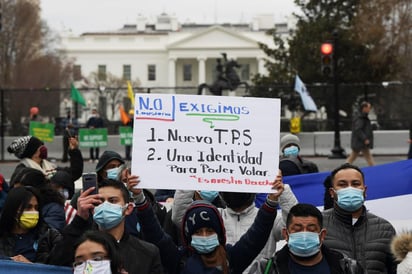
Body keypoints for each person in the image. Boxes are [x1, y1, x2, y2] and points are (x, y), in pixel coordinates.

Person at [131, 173, 285, 274]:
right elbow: (154, 233)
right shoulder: (179, 259)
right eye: (198, 232)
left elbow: (257, 235)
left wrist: (271, 201)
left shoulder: (231, 258)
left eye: (209, 230)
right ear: (188, 236)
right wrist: (139, 198)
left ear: (219, 234)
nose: (204, 236)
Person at [172, 180, 297, 272]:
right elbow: (180, 215)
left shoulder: (270, 219)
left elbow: (295, 225)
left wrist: (282, 190)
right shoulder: (214, 218)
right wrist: (190, 177)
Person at [48, 179, 163, 273]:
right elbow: (52, 266)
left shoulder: (147, 253)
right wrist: (80, 219)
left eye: (113, 201)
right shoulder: (78, 246)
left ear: (128, 209)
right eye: (100, 201)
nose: (105, 205)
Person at [323, 163, 397, 273]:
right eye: (342, 184)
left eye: (355, 184)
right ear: (332, 192)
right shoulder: (318, 225)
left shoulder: (385, 229)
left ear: (364, 191)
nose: (350, 188)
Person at [249, 203, 363, 273]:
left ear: (322, 235)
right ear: (286, 234)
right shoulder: (266, 269)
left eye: (311, 229)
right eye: (297, 229)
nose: (304, 234)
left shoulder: (348, 268)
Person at [0, 186, 61, 263]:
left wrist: (30, 267)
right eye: (28, 207)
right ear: (13, 209)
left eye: (36, 207)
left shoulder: (49, 236)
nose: (33, 211)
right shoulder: (2, 237)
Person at [7, 135, 83, 185]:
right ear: (33, 152)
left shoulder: (50, 166)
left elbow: (73, 173)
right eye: (40, 146)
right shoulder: (22, 172)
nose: (44, 148)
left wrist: (74, 151)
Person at [11, 167, 66, 232]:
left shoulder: (54, 210)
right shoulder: (15, 205)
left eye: (20, 192)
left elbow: (50, 234)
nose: (16, 196)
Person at [347, 101, 375, 166]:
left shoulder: (362, 117)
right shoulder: (361, 118)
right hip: (360, 142)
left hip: (360, 142)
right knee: (353, 157)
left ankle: (373, 169)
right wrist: (365, 139)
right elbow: (358, 129)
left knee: (366, 157)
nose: (369, 109)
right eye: (368, 108)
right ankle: (344, 168)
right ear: (364, 108)